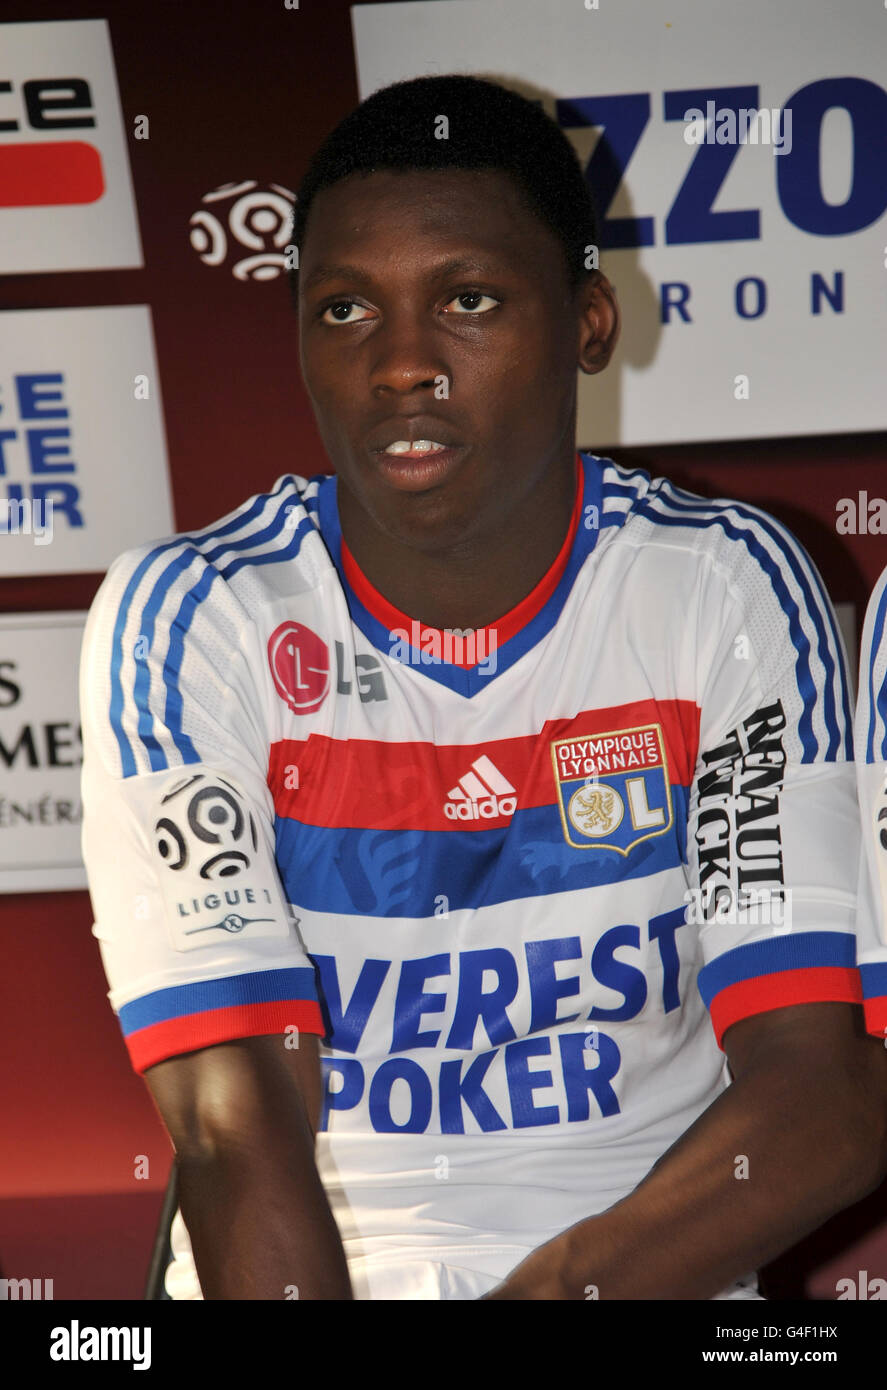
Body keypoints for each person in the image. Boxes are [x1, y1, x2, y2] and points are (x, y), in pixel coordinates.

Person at [80, 74, 887, 1301]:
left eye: (467, 300)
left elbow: (816, 1094)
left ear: (587, 325)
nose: (403, 365)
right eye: (344, 308)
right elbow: (233, 1125)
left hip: (631, 1269)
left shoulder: (716, 586)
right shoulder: (195, 617)